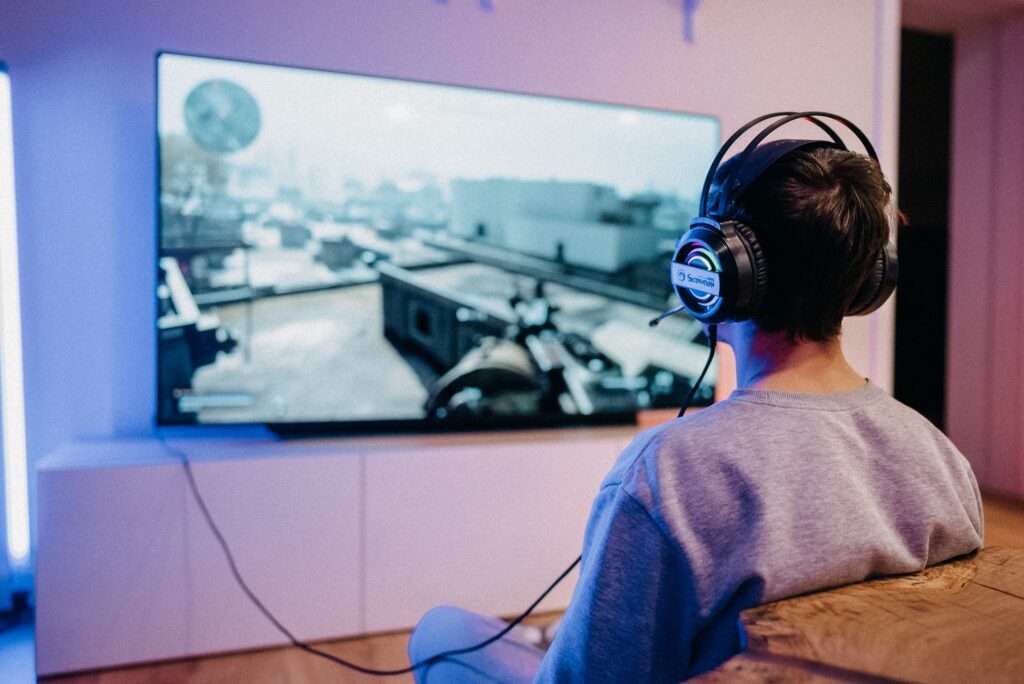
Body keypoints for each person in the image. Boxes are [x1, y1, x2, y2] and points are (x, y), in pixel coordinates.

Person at [407, 133, 984, 683]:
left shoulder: (671, 473)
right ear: (867, 282)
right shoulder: (940, 457)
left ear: (714, 271)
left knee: (441, 630)